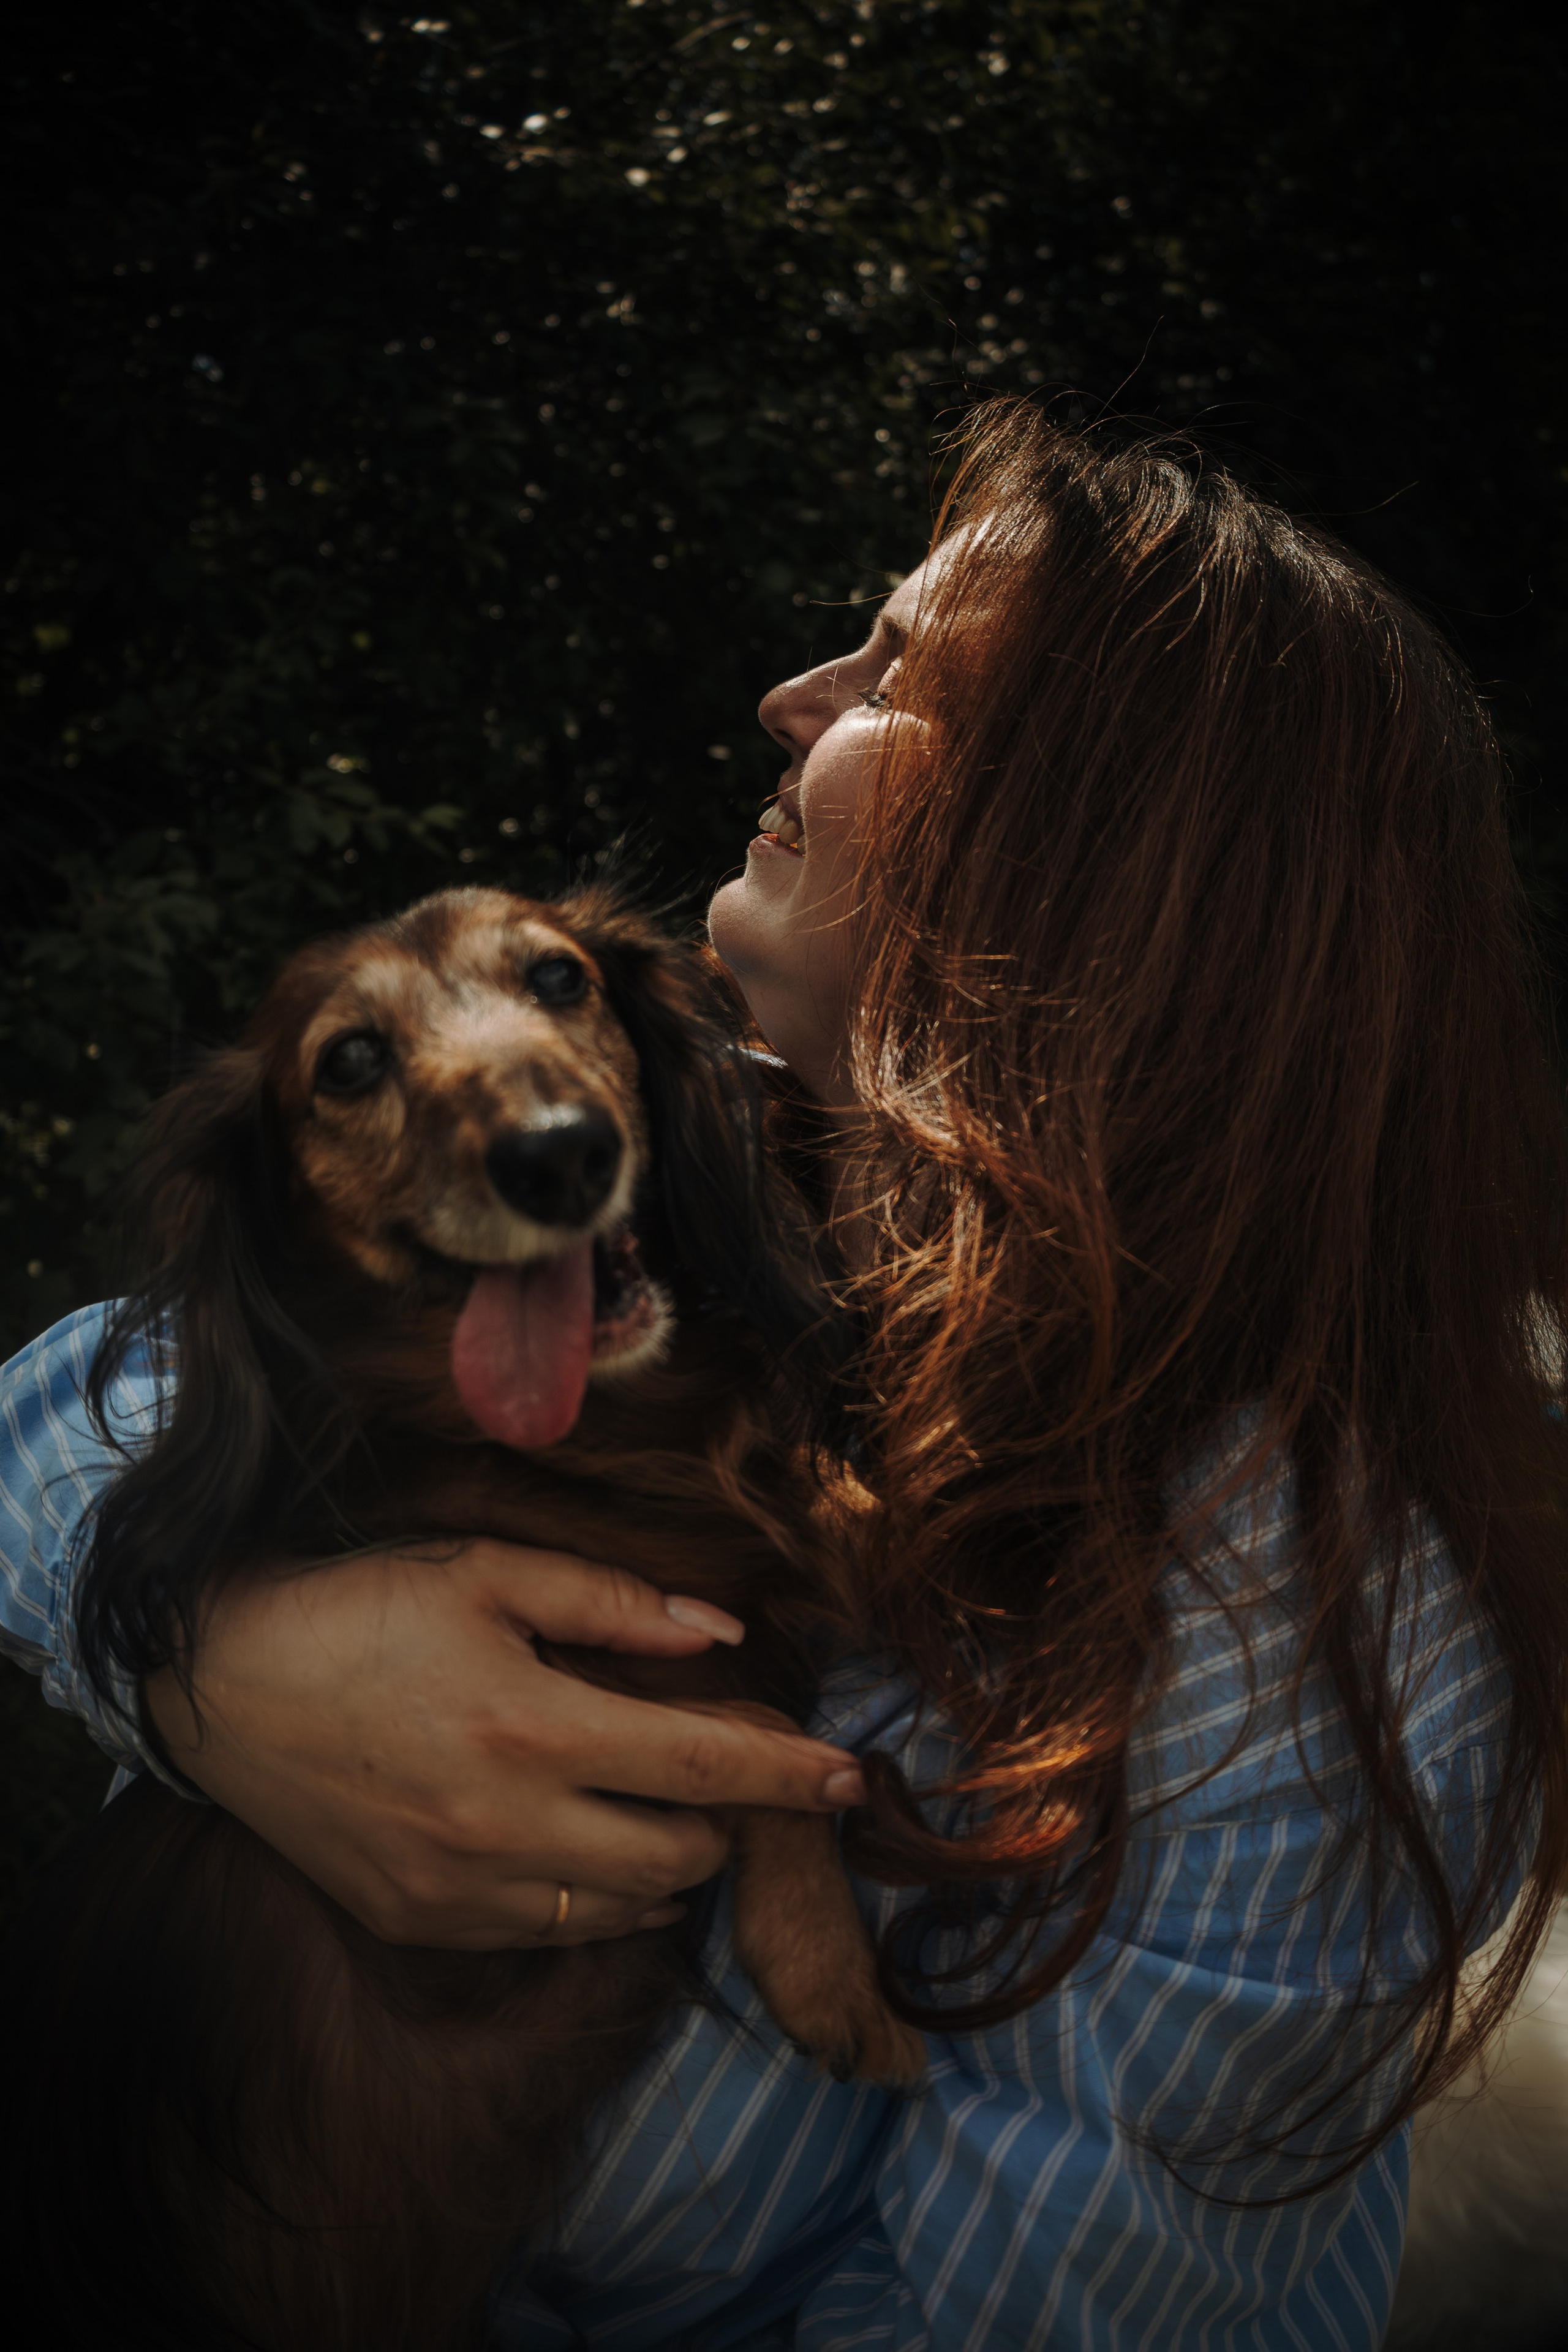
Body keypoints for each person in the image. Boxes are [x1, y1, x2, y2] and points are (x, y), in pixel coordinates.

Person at [3, 406, 1565, 2350]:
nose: (786, 697)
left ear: (1125, 863)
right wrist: (216, 1667)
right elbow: (72, 1393)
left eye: (898, 670)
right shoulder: (715, 1176)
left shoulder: (1316, 1615)